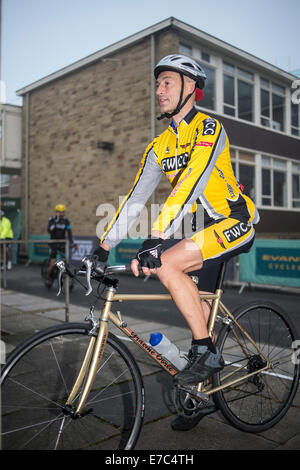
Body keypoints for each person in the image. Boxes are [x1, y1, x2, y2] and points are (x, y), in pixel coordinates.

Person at [92, 54, 259, 429]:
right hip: (200, 233)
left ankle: (206, 353)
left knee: (167, 263)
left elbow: (192, 181)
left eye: (167, 82)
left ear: (190, 87)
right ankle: (200, 395)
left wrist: (156, 238)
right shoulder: (159, 146)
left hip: (234, 221)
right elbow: (136, 198)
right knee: (196, 310)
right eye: (157, 83)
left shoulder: (209, 129)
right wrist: (103, 245)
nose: (159, 89)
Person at [46, 204, 77, 285]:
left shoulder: (66, 221)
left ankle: (65, 279)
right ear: (56, 212)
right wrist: (55, 223)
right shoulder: (52, 220)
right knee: (52, 264)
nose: (61, 214)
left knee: (64, 262)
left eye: (62, 212)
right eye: (59, 212)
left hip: (62, 244)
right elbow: (49, 230)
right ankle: (48, 277)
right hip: (53, 244)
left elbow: (69, 233)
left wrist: (72, 243)